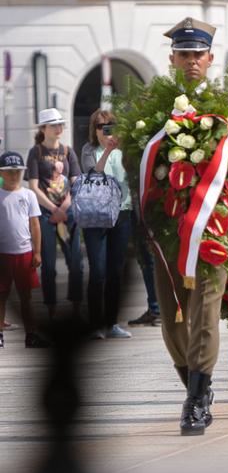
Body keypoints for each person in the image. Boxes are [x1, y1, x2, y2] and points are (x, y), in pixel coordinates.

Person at [153, 17, 226, 435]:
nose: (191, 61)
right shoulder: (155, 106)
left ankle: (197, 399)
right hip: (168, 230)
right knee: (171, 320)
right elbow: (138, 161)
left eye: (198, 54)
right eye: (184, 54)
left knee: (205, 315)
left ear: (210, 58)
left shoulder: (225, 105)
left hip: (214, 228)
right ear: (173, 59)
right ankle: (194, 382)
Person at [25, 108, 84, 326]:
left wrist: (65, 206)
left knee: (76, 262)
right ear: (43, 128)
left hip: (68, 212)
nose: (58, 128)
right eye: (53, 125)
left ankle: (77, 309)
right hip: (45, 214)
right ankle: (52, 311)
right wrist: (53, 208)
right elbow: (32, 186)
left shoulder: (68, 151)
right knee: (49, 265)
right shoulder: (36, 152)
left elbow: (75, 181)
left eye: (60, 124)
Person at [80, 109, 133, 340]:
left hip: (122, 213)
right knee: (98, 272)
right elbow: (92, 174)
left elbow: (132, 173)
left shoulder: (124, 150)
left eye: (111, 125)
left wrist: (123, 149)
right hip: (96, 215)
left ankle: (112, 323)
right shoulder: (89, 149)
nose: (107, 131)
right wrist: (108, 151)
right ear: (95, 130)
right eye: (103, 127)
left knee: (114, 271)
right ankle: (94, 325)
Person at [0, 151, 46, 349]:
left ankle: (31, 333)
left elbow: (35, 224)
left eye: (18, 171)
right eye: (9, 171)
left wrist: (37, 251)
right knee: (1, 294)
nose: (14, 175)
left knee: (26, 295)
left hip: (24, 251)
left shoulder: (28, 194)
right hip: (3, 253)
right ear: (1, 173)